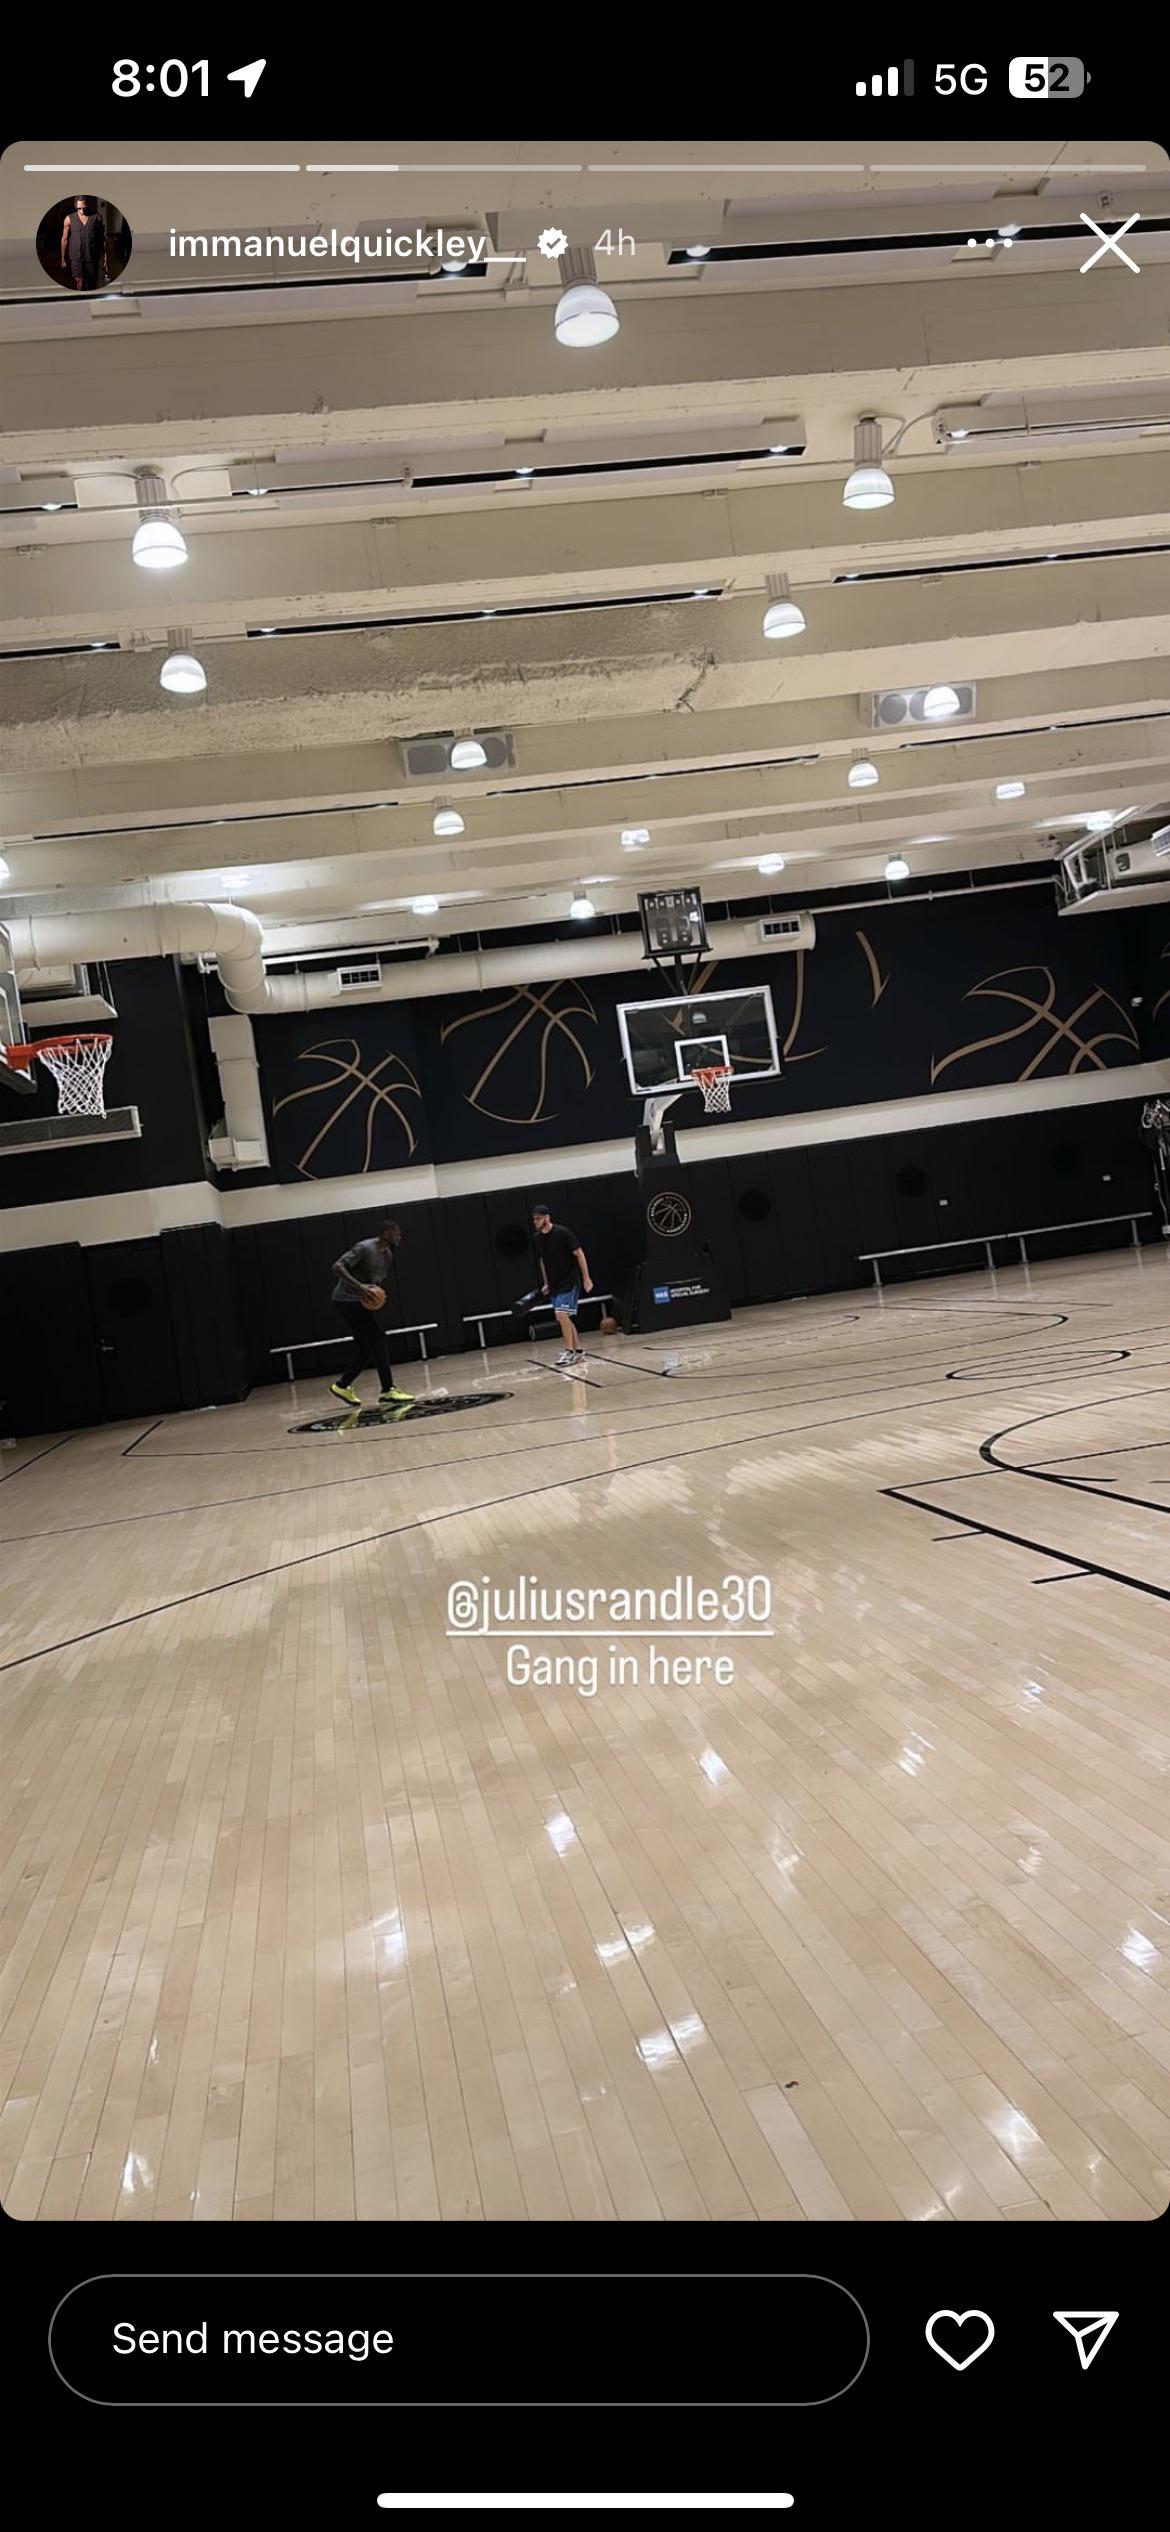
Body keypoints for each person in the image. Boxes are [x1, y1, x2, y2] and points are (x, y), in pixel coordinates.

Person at [328, 1219, 414, 1407]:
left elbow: (374, 1284)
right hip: (345, 1300)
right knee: (378, 1339)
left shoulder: (387, 1255)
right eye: (396, 1233)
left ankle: (342, 1385)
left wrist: (377, 1296)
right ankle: (388, 1390)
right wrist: (359, 1287)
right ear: (386, 1233)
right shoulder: (364, 1248)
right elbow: (337, 1267)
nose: (399, 1237)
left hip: (358, 1302)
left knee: (367, 1347)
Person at [531, 1203, 592, 1371]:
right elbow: (542, 1261)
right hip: (555, 1284)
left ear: (547, 1218)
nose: (535, 1222)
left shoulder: (562, 1232)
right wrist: (546, 1282)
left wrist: (586, 1278)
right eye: (534, 1219)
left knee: (561, 1314)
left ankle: (569, 1352)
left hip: (570, 1281)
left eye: (538, 1218)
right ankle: (579, 1351)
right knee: (564, 1318)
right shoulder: (537, 1238)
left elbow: (579, 1253)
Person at [61, 197, 107, 292]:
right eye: (79, 208)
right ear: (75, 206)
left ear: (87, 205)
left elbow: (102, 239)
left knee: (91, 283)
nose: (82, 211)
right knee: (79, 282)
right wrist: (62, 259)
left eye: (84, 208)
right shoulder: (69, 219)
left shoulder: (97, 217)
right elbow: (64, 239)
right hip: (76, 256)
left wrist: (106, 259)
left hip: (92, 256)